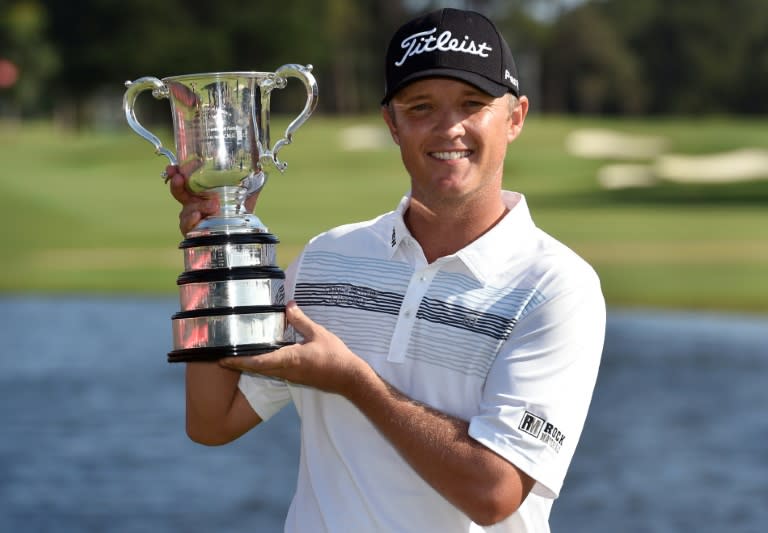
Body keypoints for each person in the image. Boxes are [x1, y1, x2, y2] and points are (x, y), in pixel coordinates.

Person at [167, 8, 605, 532]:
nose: (450, 127)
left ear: (514, 118)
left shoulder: (556, 287)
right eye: (421, 107)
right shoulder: (327, 259)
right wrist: (215, 244)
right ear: (392, 124)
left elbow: (494, 493)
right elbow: (213, 421)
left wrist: (356, 383)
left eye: (473, 104)